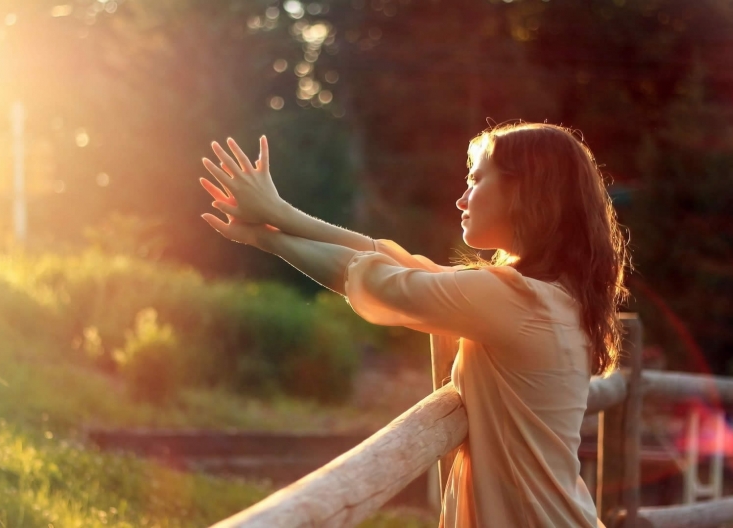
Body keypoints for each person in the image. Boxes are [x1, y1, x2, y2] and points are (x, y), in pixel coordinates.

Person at [199, 122, 628, 527]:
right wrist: (277, 215)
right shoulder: (549, 295)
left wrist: (267, 234)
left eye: (477, 180)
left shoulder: (516, 300)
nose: (461, 199)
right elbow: (396, 261)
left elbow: (377, 278)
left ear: (523, 192)